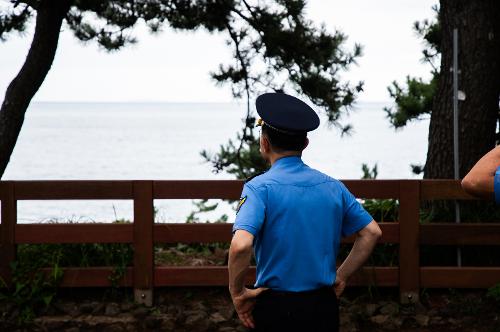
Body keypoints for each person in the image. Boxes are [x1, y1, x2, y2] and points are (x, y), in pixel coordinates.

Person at [228, 92, 382, 332]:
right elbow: (371, 232)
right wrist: (341, 276)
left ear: (264, 142)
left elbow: (240, 245)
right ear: (305, 144)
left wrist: (237, 292)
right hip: (322, 306)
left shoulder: (258, 188)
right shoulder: (333, 186)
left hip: (274, 306)